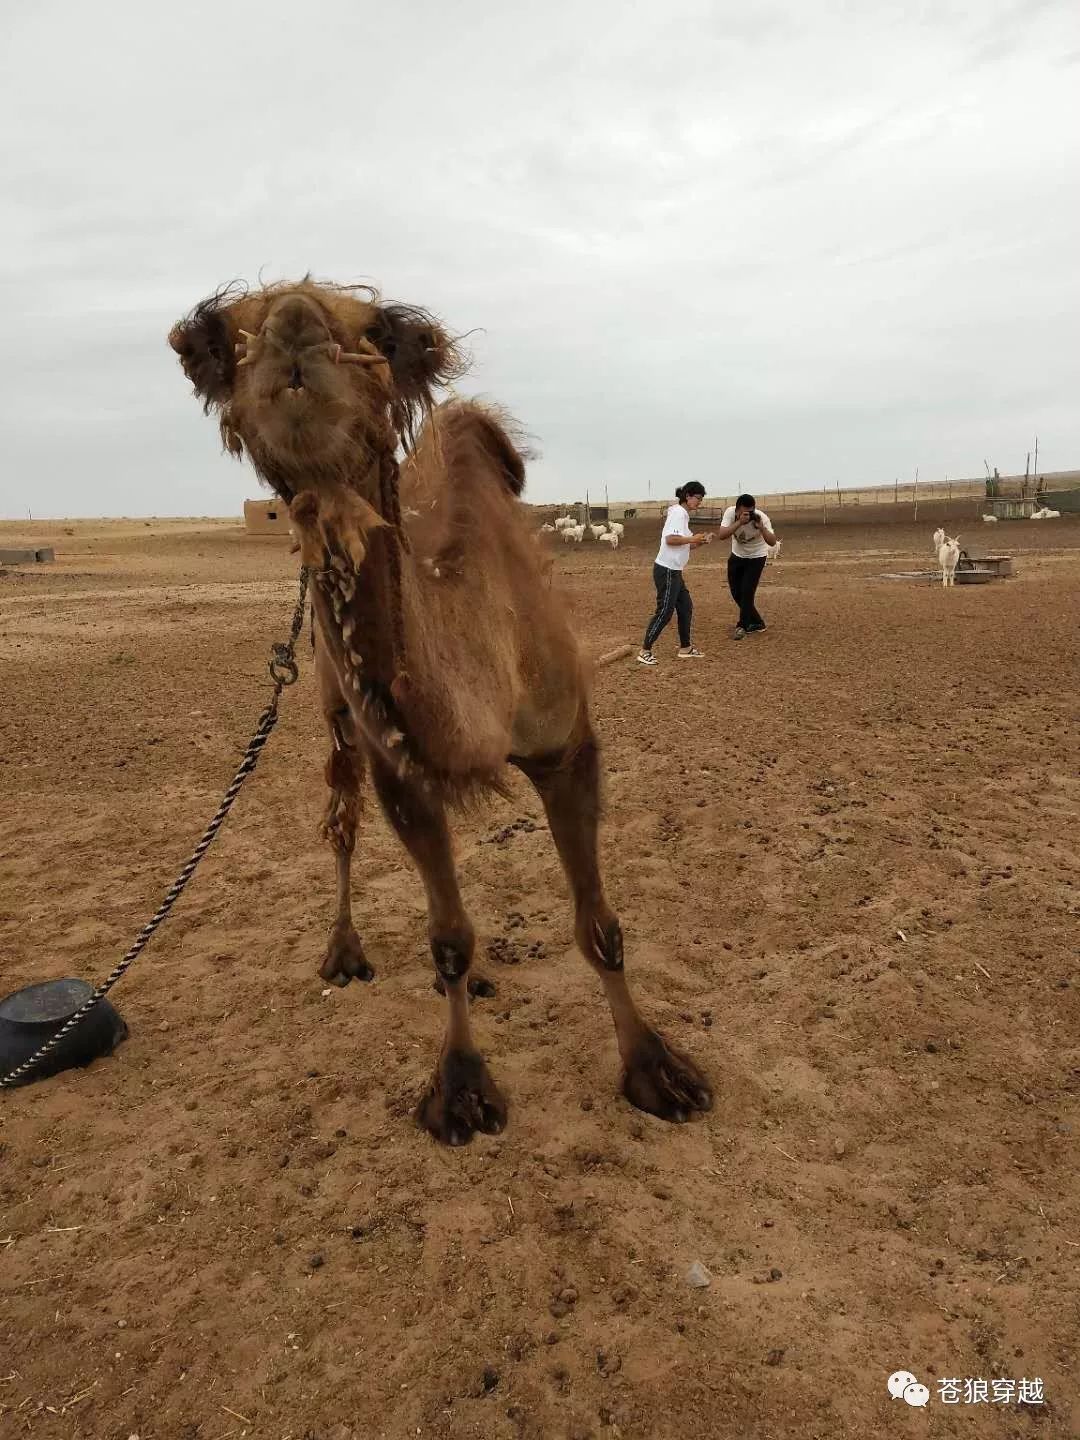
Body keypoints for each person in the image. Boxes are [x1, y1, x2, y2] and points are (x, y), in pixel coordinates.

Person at [637, 482, 713, 666]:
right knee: (665, 611)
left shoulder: (682, 515)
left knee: (685, 607)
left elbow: (685, 544)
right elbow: (671, 540)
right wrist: (692, 538)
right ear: (688, 496)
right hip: (668, 570)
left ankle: (685, 648)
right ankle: (644, 651)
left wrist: (701, 541)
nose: (699, 503)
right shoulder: (679, 513)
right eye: (698, 499)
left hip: (675, 571)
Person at [716, 493, 778, 639]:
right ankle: (757, 622)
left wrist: (762, 528)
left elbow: (772, 542)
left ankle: (742, 626)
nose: (749, 515)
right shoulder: (730, 513)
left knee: (747, 591)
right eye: (745, 512)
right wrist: (739, 523)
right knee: (736, 592)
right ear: (737, 510)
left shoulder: (761, 518)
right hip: (737, 555)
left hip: (757, 557)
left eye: (751, 511)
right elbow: (722, 535)